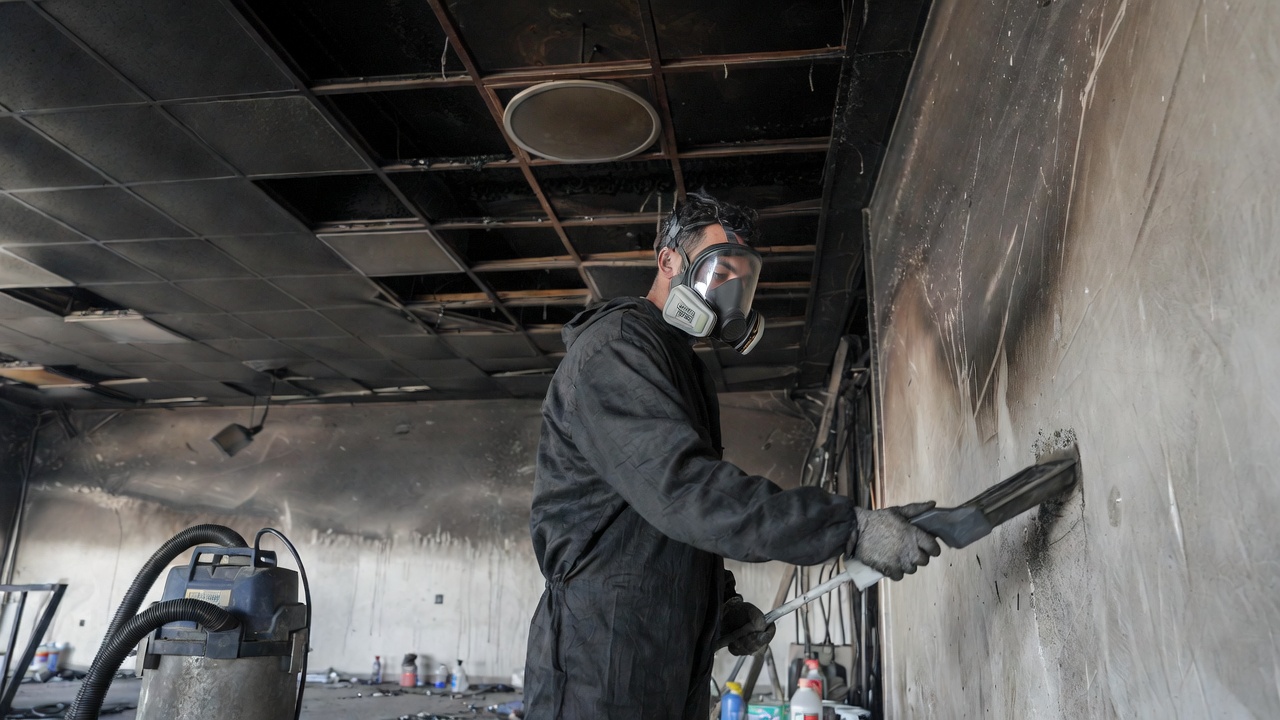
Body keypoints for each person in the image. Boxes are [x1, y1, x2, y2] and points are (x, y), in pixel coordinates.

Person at [524, 192, 941, 719]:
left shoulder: (679, 365)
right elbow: (684, 491)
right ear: (669, 261)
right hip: (600, 657)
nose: (730, 293)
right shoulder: (616, 349)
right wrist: (846, 528)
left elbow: (661, 526)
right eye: (719, 271)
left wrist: (719, 607)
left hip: (662, 654)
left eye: (742, 278)